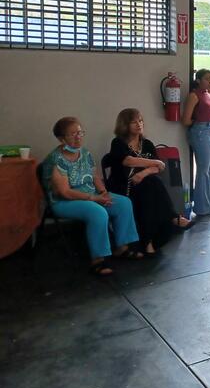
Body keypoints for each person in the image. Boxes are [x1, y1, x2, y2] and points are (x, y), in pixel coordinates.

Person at [42, 117, 143, 276]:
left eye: (80, 132)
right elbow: (64, 192)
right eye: (72, 134)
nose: (78, 137)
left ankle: (122, 247)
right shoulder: (56, 160)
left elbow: (95, 177)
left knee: (123, 203)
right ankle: (98, 259)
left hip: (92, 195)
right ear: (61, 139)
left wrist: (103, 192)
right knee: (97, 212)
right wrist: (94, 198)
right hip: (65, 201)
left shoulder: (85, 153)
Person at [107, 109, 192, 256]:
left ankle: (149, 242)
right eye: (134, 121)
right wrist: (154, 162)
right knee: (152, 186)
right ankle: (171, 220)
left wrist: (143, 173)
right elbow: (128, 161)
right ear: (124, 125)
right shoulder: (118, 143)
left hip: (144, 185)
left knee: (150, 185)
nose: (139, 124)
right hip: (124, 185)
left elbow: (159, 168)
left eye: (140, 120)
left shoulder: (146, 144)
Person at [182, 68, 210, 216]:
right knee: (203, 170)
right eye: (207, 79)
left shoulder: (208, 94)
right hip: (200, 131)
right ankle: (202, 207)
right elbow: (186, 120)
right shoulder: (194, 95)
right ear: (198, 80)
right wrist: (199, 122)